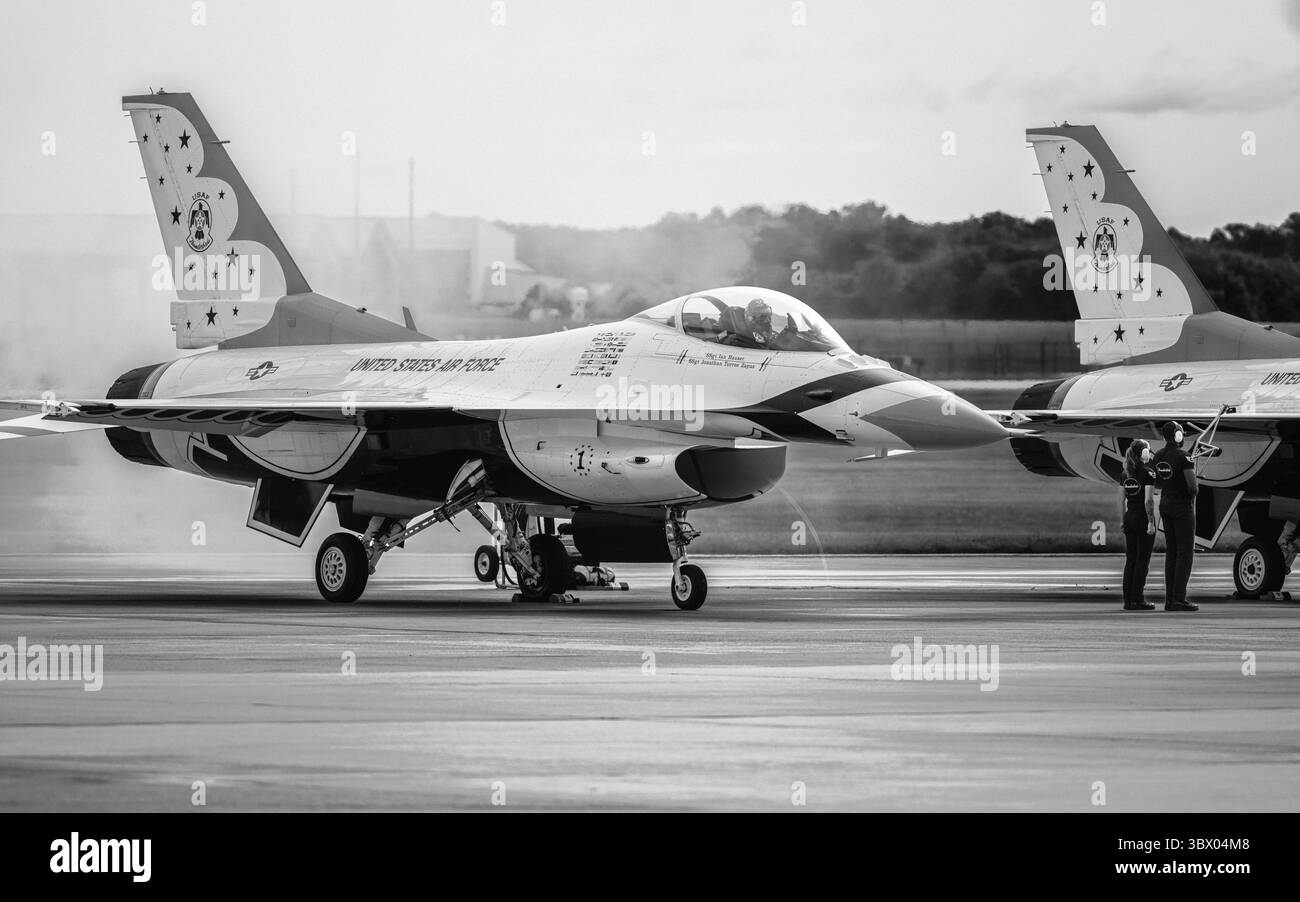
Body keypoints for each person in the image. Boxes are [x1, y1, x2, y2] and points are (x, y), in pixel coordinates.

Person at [1153, 421, 1199, 611]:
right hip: (1182, 507)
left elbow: (1156, 483)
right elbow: (1192, 487)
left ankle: (1170, 599)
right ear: (1179, 435)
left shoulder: (1158, 455)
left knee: (1171, 552)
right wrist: (1193, 491)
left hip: (1165, 504)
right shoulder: (1184, 457)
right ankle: (1179, 598)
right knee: (1185, 552)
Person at [1120, 439, 1157, 610]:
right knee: (1142, 561)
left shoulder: (1125, 473)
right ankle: (1138, 599)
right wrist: (1151, 521)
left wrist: (1123, 520)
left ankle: (1128, 600)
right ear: (1143, 453)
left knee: (1130, 560)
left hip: (1129, 517)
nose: (1149, 453)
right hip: (1141, 518)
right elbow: (1148, 501)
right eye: (1148, 451)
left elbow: (1122, 500)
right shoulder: (1148, 473)